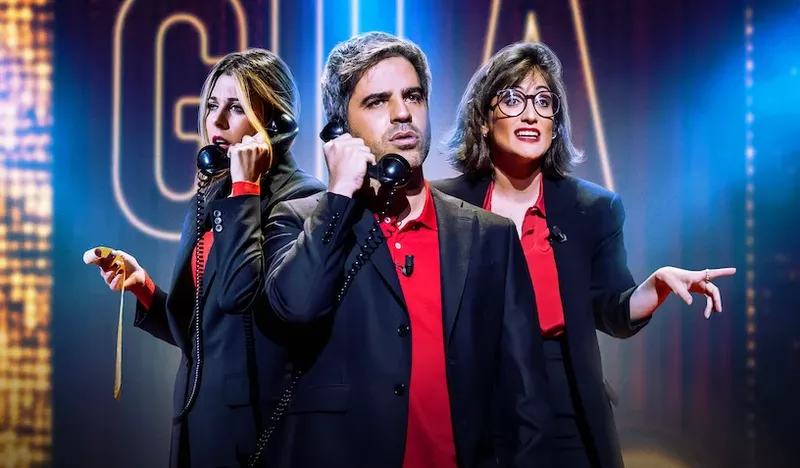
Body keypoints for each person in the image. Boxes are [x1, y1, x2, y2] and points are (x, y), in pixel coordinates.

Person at [433, 41, 737, 468]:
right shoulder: (442, 206)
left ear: (555, 125)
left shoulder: (592, 208)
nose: (531, 114)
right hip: (469, 393)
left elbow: (611, 311)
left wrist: (655, 286)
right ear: (483, 120)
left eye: (543, 102)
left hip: (561, 396)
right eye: (513, 99)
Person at [260, 32, 554, 467]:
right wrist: (339, 194)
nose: (402, 113)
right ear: (340, 128)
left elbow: (526, 401)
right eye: (377, 101)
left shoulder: (490, 235)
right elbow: (296, 309)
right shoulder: (299, 219)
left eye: (413, 96)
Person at [84, 48, 325, 467]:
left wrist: (246, 189)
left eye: (237, 107)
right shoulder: (215, 197)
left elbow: (239, 296)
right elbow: (207, 333)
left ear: (276, 122)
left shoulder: (302, 199)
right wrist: (144, 287)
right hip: (197, 423)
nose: (217, 121)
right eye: (213, 105)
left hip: (258, 432)